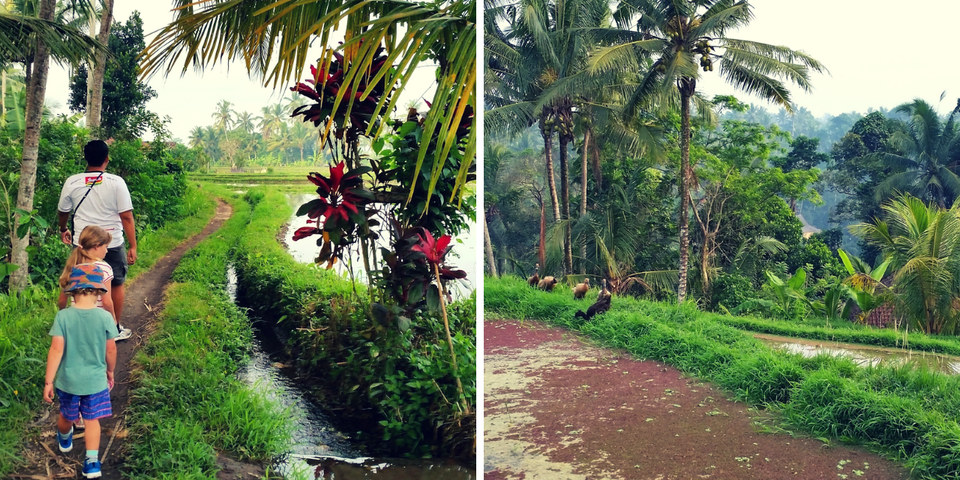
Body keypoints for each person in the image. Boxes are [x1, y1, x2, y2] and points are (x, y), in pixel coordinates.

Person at [44, 264, 119, 479]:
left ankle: (65, 435)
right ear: (97, 292)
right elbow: (111, 349)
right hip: (95, 381)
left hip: (68, 381)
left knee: (67, 414)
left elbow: (56, 350)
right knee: (92, 419)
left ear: (73, 293)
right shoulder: (105, 317)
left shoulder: (63, 317)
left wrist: (49, 381)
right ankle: (93, 463)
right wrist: (111, 371)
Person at [58, 140, 136, 341]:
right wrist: (133, 246)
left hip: (82, 242)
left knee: (81, 281)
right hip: (111, 242)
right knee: (116, 283)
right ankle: (114, 329)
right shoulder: (116, 182)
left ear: (86, 159)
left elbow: (63, 211)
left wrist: (63, 229)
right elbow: (126, 216)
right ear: (106, 159)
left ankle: (84, 328)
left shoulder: (72, 181)